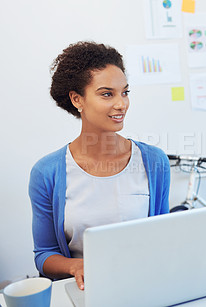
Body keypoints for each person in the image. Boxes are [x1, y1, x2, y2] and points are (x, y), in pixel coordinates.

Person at [28, 41, 170, 290]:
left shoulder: (154, 162)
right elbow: (44, 255)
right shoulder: (47, 172)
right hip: (87, 290)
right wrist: (75, 266)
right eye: (107, 94)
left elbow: (164, 237)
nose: (121, 104)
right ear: (77, 99)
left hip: (145, 285)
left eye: (125, 92)